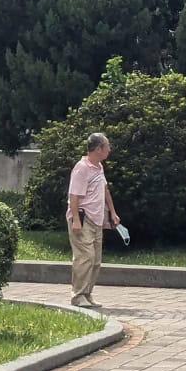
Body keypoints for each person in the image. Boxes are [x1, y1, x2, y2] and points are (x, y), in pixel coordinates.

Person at [66, 131, 119, 308]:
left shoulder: (98, 167)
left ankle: (87, 294)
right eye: (107, 146)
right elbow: (73, 195)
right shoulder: (82, 168)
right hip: (83, 218)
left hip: (97, 220)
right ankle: (78, 295)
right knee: (84, 257)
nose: (109, 150)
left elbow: (104, 191)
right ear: (98, 149)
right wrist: (75, 220)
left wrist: (112, 212)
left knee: (95, 260)